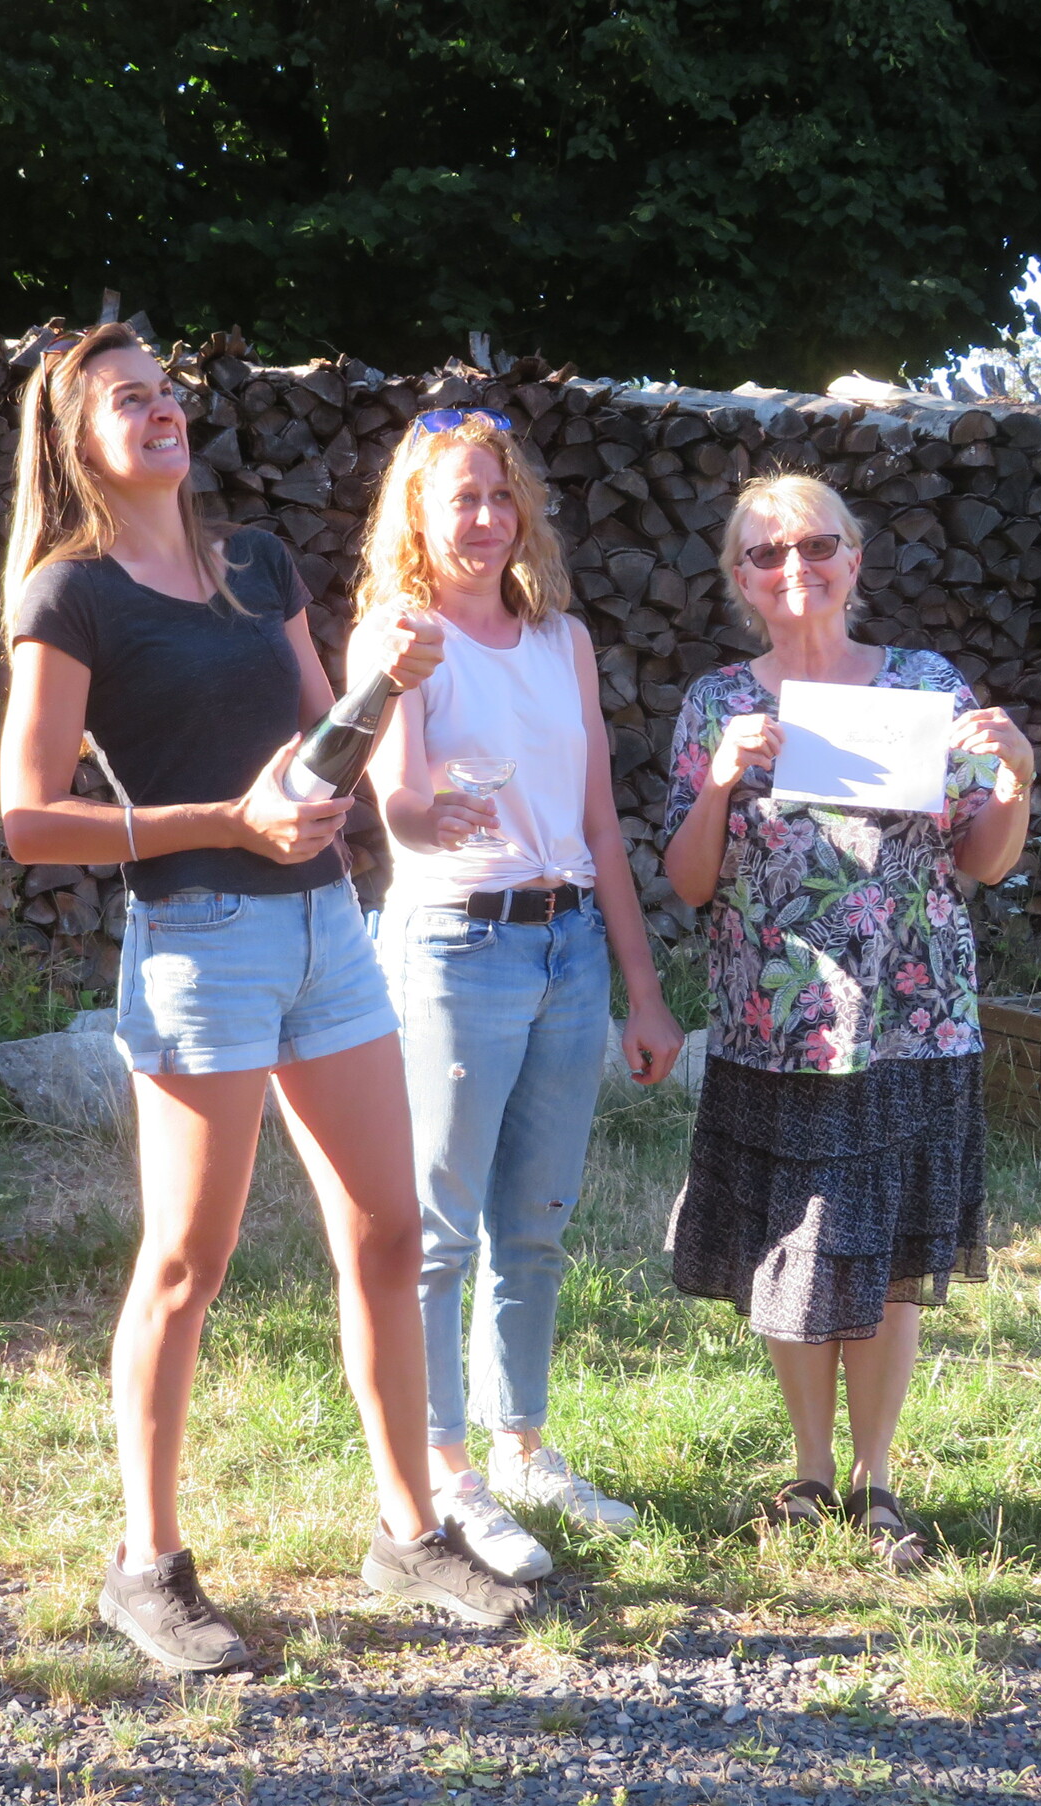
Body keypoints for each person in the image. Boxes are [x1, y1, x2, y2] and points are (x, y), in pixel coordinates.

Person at [0, 323, 535, 1672]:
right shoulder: (70, 596)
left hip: (326, 930)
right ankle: (147, 1566)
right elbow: (28, 817)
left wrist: (384, 685)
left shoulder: (255, 564)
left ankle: (411, 1530)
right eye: (127, 400)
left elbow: (320, 742)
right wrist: (229, 823)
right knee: (187, 1263)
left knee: (389, 1233)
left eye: (166, 392)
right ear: (77, 440)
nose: (161, 411)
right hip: (198, 940)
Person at [660, 473, 1034, 1569]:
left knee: (887, 1253)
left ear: (855, 558)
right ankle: (811, 1471)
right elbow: (688, 882)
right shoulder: (717, 704)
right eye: (767, 553)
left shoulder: (926, 686)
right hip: (777, 1021)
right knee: (795, 1246)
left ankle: (877, 1482)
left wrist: (1015, 781)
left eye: (818, 545)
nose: (796, 568)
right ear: (740, 580)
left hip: (911, 1017)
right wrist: (719, 783)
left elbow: (982, 861)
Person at [363, 409, 688, 1585]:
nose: (487, 518)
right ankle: (445, 1474)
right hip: (456, 945)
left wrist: (643, 990)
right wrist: (430, 815)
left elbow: (599, 824)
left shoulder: (565, 642)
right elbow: (393, 801)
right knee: (439, 1228)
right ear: (417, 514)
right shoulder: (401, 637)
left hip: (568, 949)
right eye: (461, 497)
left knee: (536, 1222)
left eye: (501, 496)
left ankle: (524, 1447)